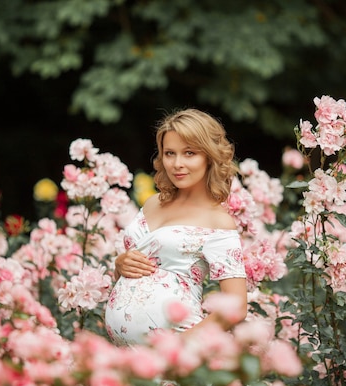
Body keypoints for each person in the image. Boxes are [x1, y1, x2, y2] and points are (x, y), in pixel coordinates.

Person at [104, 108, 248, 346]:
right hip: (126, 359)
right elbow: (142, 270)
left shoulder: (217, 222)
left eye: (189, 153)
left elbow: (237, 307)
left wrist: (176, 349)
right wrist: (120, 265)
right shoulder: (153, 203)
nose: (177, 164)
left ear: (209, 157)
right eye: (170, 153)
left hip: (173, 360)